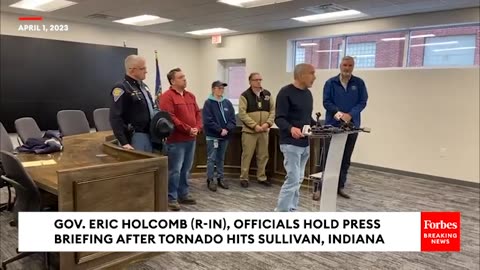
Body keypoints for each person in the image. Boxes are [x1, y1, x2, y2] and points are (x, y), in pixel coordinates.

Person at [322, 55, 368, 199]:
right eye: (344, 65)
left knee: (345, 157)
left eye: (350, 65)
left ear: (353, 67)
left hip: (352, 126)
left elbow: (362, 102)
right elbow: (326, 102)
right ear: (340, 66)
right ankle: (323, 187)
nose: (347, 68)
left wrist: (350, 114)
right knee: (329, 157)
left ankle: (340, 186)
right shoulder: (330, 83)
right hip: (333, 125)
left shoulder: (359, 83)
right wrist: (339, 114)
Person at [274, 63, 316, 212]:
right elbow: (279, 118)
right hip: (290, 144)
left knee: (298, 179)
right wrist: (291, 128)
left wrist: (317, 126)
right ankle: (281, 212)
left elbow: (306, 118)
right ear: (301, 75)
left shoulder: (308, 94)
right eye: (312, 73)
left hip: (305, 144)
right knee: (292, 179)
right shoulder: (285, 93)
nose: (314, 77)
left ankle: (291, 209)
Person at [159, 68, 202, 211]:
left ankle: (183, 193)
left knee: (186, 169)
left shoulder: (190, 96)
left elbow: (197, 113)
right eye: (181, 77)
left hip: (191, 139)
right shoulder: (167, 96)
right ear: (172, 81)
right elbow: (170, 117)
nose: (184, 79)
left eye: (184, 76)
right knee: (175, 170)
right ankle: (172, 197)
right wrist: (187, 129)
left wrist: (197, 127)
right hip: (176, 140)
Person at [110, 55, 156, 152]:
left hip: (150, 135)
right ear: (132, 70)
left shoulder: (144, 87)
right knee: (140, 165)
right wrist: (124, 142)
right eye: (142, 68)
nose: (146, 71)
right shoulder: (121, 88)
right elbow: (115, 116)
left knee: (150, 166)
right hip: (135, 136)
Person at [238, 72, 275, 188]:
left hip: (264, 131)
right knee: (247, 155)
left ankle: (261, 177)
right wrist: (254, 126)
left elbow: (273, 111)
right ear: (250, 81)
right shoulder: (245, 95)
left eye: (260, 79)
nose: (258, 82)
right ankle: (244, 177)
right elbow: (242, 114)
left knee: (263, 155)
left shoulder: (267, 94)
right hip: (250, 132)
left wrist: (267, 124)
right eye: (256, 80)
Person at [202, 81, 237, 191]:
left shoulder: (227, 103)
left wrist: (226, 129)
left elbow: (232, 119)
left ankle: (220, 178)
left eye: (223, 88)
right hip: (213, 136)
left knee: (221, 159)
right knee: (211, 159)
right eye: (219, 88)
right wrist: (219, 130)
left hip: (225, 136)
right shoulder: (208, 103)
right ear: (213, 89)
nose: (221, 90)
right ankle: (210, 179)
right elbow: (208, 121)